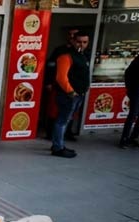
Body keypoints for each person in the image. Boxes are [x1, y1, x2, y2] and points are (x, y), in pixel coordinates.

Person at [51, 30, 91, 158]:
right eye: (79, 42)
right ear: (73, 41)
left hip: (78, 94)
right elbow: (61, 77)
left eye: (85, 42)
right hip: (68, 95)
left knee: (66, 120)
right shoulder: (66, 56)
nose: (82, 44)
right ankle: (58, 147)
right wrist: (71, 92)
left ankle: (58, 144)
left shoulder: (83, 56)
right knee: (62, 121)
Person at [42, 27, 79, 140]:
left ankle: (68, 133)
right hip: (58, 85)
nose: (72, 37)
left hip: (74, 86)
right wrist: (48, 82)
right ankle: (50, 133)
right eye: (70, 35)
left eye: (75, 35)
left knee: (72, 112)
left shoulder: (81, 53)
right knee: (54, 110)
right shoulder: (60, 50)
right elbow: (51, 67)